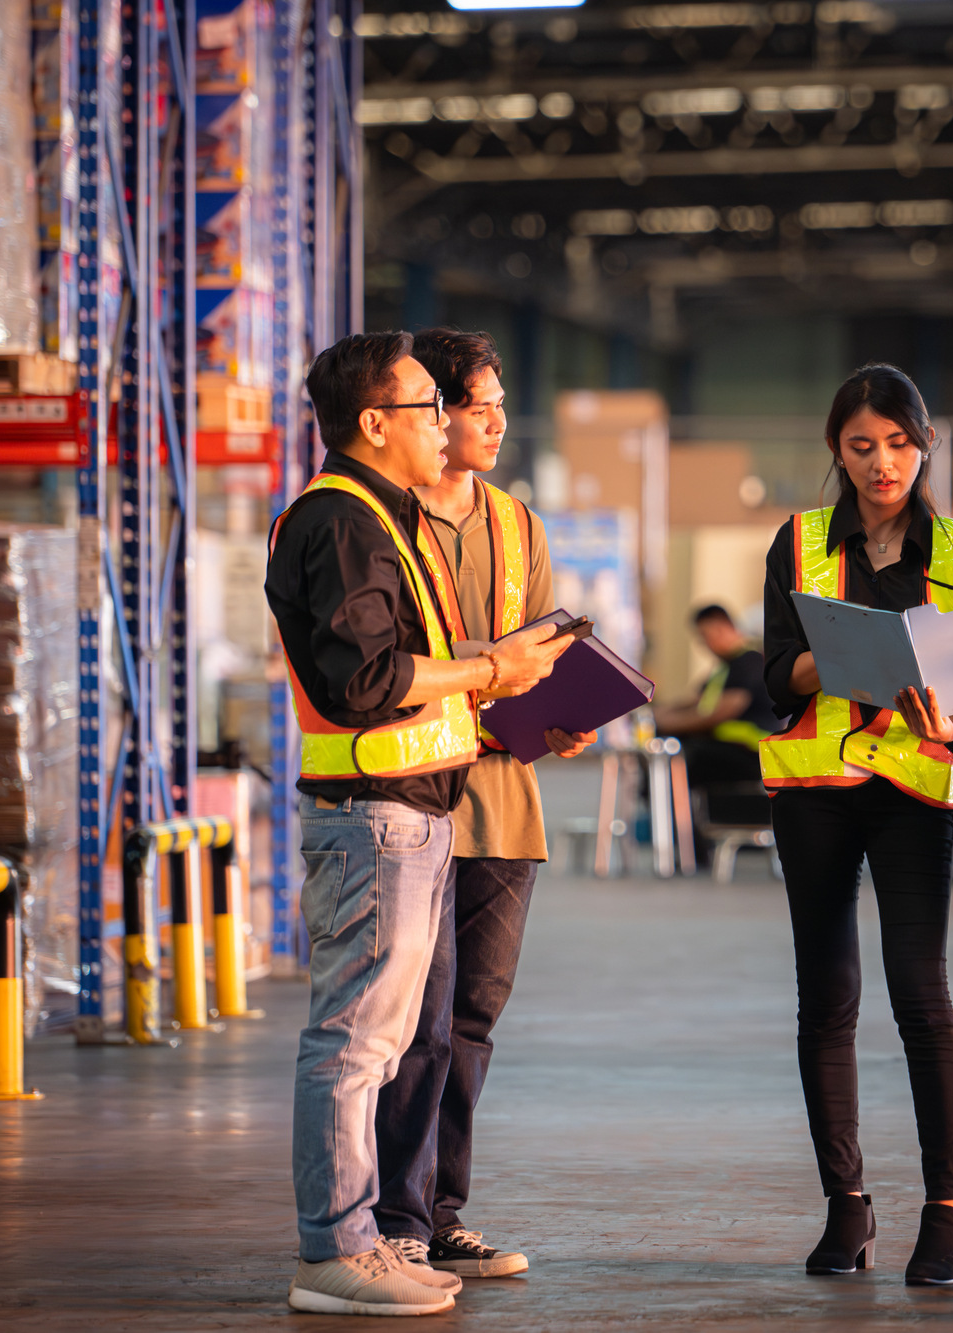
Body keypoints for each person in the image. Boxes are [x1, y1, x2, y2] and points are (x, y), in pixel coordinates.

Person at [265, 331, 574, 1317]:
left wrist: (514, 684)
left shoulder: (379, 519)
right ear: (374, 423)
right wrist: (492, 670)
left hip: (415, 808)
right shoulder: (343, 520)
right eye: (425, 406)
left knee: (400, 1035)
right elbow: (365, 679)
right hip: (374, 812)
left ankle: (379, 1231)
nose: (444, 423)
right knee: (357, 1043)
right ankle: (338, 1246)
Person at [761, 364, 953, 1286]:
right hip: (815, 787)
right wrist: (834, 662)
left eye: (897, 443)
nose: (880, 462)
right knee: (825, 996)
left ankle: (946, 1211)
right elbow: (772, 670)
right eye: (861, 446)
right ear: (837, 451)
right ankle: (845, 1206)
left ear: (923, 444)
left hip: (911, 786)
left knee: (919, 991)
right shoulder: (799, 542)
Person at [369, 328, 596, 1281]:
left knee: (470, 1019)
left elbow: (540, 651)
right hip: (416, 793)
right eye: (477, 405)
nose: (495, 421)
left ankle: (442, 1212)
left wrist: (566, 713)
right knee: (409, 1026)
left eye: (501, 403)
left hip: (505, 803)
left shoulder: (517, 524)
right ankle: (393, 1220)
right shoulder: (380, 522)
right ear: (431, 414)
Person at [653, 602, 783, 785]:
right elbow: (695, 702)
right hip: (731, 747)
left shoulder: (749, 662)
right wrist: (655, 714)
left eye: (704, 637)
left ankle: (674, 812)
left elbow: (721, 712)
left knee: (681, 754)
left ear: (720, 629)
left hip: (751, 751)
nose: (703, 644)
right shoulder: (724, 668)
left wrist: (667, 724)